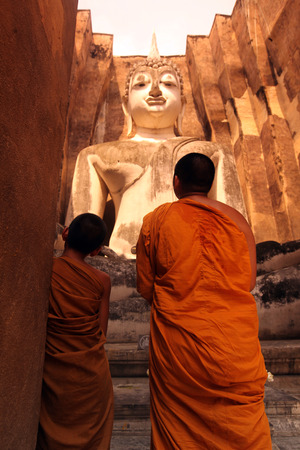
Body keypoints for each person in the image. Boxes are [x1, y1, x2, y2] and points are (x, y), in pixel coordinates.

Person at [136, 153, 272, 449]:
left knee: (177, 425)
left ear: (176, 181)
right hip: (235, 345)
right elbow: (248, 283)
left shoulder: (157, 220)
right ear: (210, 184)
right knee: (241, 426)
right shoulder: (237, 221)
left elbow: (146, 287)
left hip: (179, 348)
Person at [66, 37, 246, 258]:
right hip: (123, 259)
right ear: (125, 105)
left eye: (168, 84)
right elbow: (77, 243)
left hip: (196, 259)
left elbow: (235, 233)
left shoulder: (213, 153)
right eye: (140, 84)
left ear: (183, 104)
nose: (155, 91)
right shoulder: (95, 156)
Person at [37, 213, 114, 450]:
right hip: (90, 375)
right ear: (97, 250)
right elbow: (101, 331)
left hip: (53, 372)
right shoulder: (102, 280)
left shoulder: (45, 270)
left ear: (65, 233)